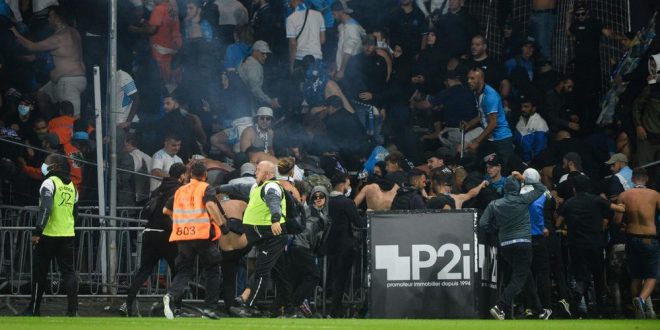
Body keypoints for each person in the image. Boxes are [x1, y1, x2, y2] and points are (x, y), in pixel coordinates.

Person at [479, 170, 551, 320]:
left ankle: (540, 311)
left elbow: (483, 224)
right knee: (519, 277)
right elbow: (542, 188)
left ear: (505, 189)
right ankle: (500, 306)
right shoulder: (523, 199)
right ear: (518, 188)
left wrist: (496, 230)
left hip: (505, 245)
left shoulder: (494, 204)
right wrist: (523, 178)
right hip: (523, 243)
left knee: (526, 276)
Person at [221, 161, 288, 316]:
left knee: (261, 272)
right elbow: (237, 188)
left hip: (273, 237)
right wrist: (216, 188)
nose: (255, 172)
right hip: (264, 237)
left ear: (269, 174)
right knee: (281, 274)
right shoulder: (256, 187)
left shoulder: (271, 187)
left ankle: (249, 305)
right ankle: (289, 307)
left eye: (259, 170)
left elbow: (274, 202)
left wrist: (276, 219)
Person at [162, 162, 225, 320]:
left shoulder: (180, 190)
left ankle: (170, 295)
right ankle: (209, 309)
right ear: (205, 175)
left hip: (183, 236)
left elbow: (166, 210)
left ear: (190, 175)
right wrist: (222, 224)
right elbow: (210, 205)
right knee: (212, 269)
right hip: (201, 235)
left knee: (184, 270)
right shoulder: (205, 187)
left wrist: (181, 221)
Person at [122, 163, 187, 316]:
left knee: (144, 270)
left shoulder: (158, 189)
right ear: (182, 175)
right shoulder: (179, 190)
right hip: (166, 234)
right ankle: (177, 307)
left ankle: (127, 304)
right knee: (179, 270)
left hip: (149, 232)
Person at [557, 174, 625, 317]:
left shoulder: (569, 203)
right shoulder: (596, 200)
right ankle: (600, 310)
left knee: (582, 277)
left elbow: (558, 222)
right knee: (599, 277)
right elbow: (619, 209)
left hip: (576, 246)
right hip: (595, 244)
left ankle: (576, 299)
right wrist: (622, 204)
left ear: (574, 188)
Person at [22, 154, 78, 316]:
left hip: (48, 234)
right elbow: (75, 213)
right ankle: (73, 311)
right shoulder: (72, 186)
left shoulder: (49, 182)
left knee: (40, 272)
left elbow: (46, 208)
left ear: (54, 166)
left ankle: (34, 310)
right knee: (68, 273)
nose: (43, 165)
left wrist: (37, 231)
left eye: (46, 163)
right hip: (67, 234)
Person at [11, 6, 87, 117]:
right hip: (66, 80)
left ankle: (71, 133)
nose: (48, 20)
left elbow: (33, 46)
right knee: (42, 94)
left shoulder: (59, 38)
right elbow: (58, 53)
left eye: (50, 17)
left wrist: (15, 33)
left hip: (69, 81)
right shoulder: (74, 31)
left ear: (57, 18)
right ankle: (50, 123)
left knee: (72, 118)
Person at [615, 167, 660, 319]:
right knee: (652, 275)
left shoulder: (624, 195)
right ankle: (640, 300)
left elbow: (617, 220)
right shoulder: (655, 195)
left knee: (636, 276)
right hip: (649, 238)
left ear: (633, 179)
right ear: (646, 179)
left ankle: (638, 312)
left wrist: (623, 225)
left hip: (632, 238)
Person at [288, 185, 331, 317]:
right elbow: (307, 232)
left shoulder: (322, 214)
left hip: (301, 247)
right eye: (315, 197)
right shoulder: (310, 211)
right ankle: (296, 304)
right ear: (312, 198)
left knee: (298, 278)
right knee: (314, 275)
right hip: (300, 246)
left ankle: (291, 308)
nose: (318, 199)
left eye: (321, 196)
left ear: (326, 198)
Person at [326, 172, 365, 317]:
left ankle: (330, 307)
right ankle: (336, 311)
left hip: (329, 245)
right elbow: (359, 223)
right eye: (348, 184)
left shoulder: (325, 200)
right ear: (343, 184)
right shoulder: (346, 202)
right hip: (344, 246)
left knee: (332, 277)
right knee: (342, 279)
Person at [465, 68, 514, 165]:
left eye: (472, 78)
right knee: (486, 166)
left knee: (506, 169)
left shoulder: (490, 96)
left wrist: (477, 142)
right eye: (468, 78)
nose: (468, 81)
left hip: (502, 139)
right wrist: (469, 124)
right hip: (490, 138)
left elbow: (493, 123)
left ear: (481, 79)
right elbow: (483, 115)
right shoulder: (477, 93)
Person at [286, 0, 326, 74]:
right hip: (317, 58)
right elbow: (322, 40)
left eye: (289, 3)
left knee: (302, 84)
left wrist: (291, 64)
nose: (289, 5)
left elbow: (293, 43)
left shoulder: (290, 19)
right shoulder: (319, 15)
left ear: (293, 1)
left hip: (300, 59)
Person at [238, 40, 280, 109]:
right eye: (263, 53)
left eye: (266, 54)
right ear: (255, 52)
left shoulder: (249, 60)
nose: (265, 56)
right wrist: (270, 101)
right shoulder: (253, 66)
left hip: (245, 99)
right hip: (245, 101)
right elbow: (254, 89)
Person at [331, 1, 365, 81]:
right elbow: (341, 49)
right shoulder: (342, 26)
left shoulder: (352, 28)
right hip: (345, 68)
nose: (333, 17)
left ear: (341, 12)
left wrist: (342, 70)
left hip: (351, 69)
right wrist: (336, 66)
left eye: (334, 14)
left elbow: (348, 51)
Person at [514, 95, 549, 163]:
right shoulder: (520, 121)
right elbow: (515, 142)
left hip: (533, 162)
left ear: (533, 108)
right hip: (520, 160)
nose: (523, 109)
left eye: (526, 107)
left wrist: (532, 162)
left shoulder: (540, 123)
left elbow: (540, 148)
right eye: (522, 106)